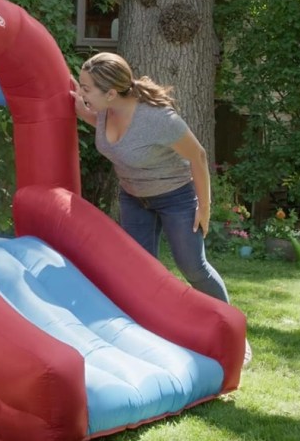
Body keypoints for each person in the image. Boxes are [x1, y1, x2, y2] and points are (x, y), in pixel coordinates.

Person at [70, 52, 251, 365]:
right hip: (134, 198)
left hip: (175, 197)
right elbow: (105, 132)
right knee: (140, 272)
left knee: (193, 267)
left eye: (86, 88)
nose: (82, 93)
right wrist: (81, 109)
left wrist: (204, 208)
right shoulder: (104, 110)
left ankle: (235, 335)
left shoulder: (158, 119)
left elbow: (198, 156)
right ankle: (148, 336)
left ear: (111, 92)